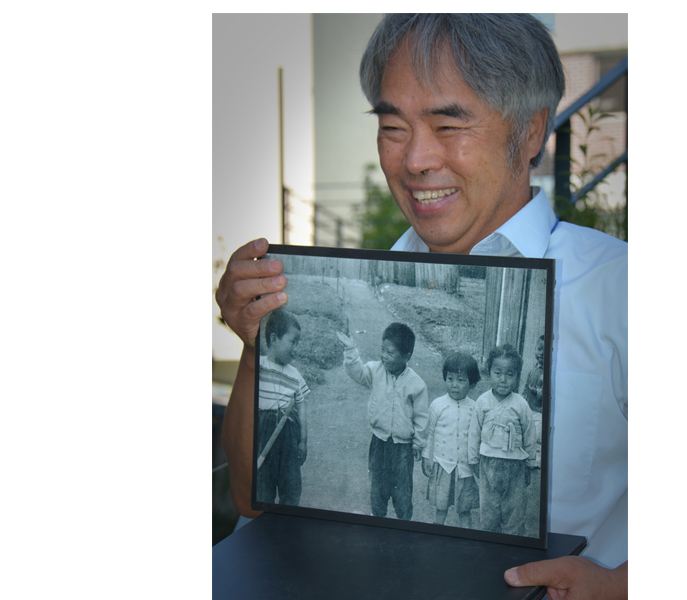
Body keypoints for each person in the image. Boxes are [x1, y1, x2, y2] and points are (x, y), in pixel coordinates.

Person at [216, 13, 627, 599]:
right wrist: (256, 349)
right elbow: (249, 502)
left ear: (531, 131)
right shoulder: (362, 278)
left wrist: (621, 586)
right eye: (392, 126)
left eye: (447, 124)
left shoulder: (622, 289)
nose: (414, 160)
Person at [336, 323, 429, 520]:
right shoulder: (375, 371)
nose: (384, 356)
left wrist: (419, 443)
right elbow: (357, 373)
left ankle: (404, 525)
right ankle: (378, 522)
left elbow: (421, 416)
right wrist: (350, 349)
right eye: (383, 350)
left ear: (406, 356)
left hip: (403, 449)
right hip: (379, 443)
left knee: (403, 493)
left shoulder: (416, 384)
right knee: (377, 489)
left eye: (390, 352)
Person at [468, 344, 537, 536]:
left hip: (515, 466)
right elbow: (474, 432)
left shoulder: (521, 404)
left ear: (517, 376)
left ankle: (511, 545)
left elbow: (530, 434)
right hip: (488, 463)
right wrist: (473, 460)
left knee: (514, 512)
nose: (503, 380)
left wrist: (530, 463)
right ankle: (490, 543)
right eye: (498, 373)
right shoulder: (482, 402)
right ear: (489, 372)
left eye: (510, 375)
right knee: (489, 509)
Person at [255, 309, 308, 506]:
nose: (296, 348)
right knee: (262, 488)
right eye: (293, 342)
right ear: (274, 338)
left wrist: (303, 441)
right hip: (263, 434)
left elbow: (301, 409)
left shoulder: (294, 375)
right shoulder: (258, 367)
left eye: (298, 343)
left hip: (288, 437)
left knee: (291, 487)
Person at [422, 352, 481, 528]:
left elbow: (477, 437)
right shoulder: (437, 405)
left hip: (465, 468)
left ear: (472, 383)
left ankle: (466, 540)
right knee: (441, 509)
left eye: (461, 380)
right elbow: (430, 433)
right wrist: (427, 456)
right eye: (450, 379)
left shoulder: (475, 408)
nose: (454, 385)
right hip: (443, 465)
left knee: (465, 511)